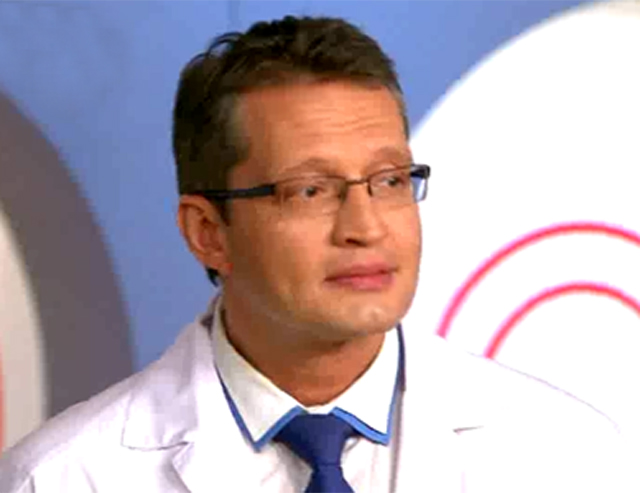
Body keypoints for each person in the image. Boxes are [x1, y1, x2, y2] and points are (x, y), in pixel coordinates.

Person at [0, 14, 636, 493]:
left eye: (389, 180)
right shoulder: (63, 478)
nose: (365, 227)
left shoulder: (567, 456)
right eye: (310, 190)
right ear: (207, 231)